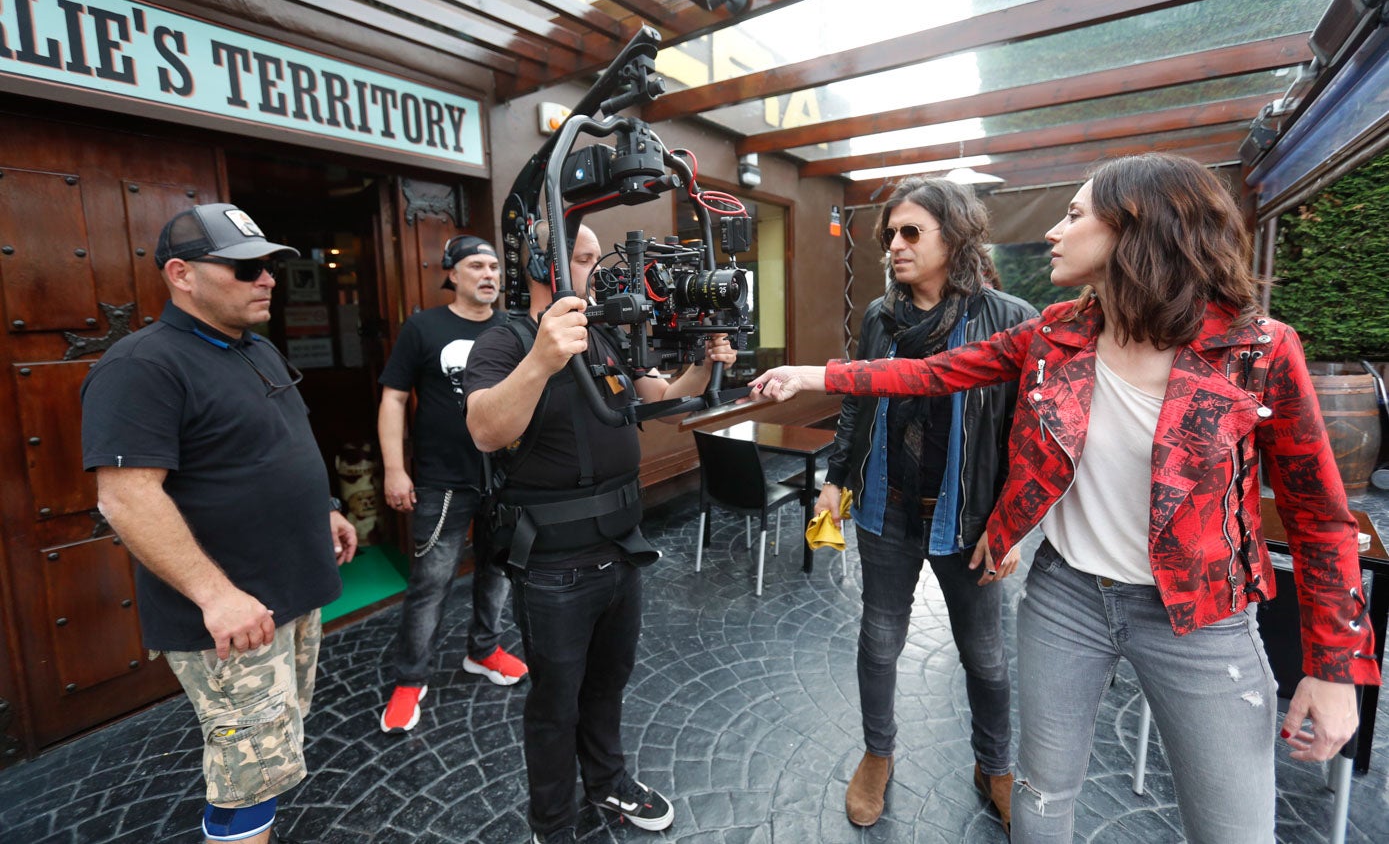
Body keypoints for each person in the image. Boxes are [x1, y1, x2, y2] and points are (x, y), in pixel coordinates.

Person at [748, 153, 1380, 844]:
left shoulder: (1255, 349)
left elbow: (1319, 515)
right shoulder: (1058, 332)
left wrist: (1332, 667)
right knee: (1042, 801)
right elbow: (933, 374)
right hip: (1067, 596)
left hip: (1200, 615)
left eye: (1074, 215)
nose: (1053, 231)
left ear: (1135, 230)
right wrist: (815, 373)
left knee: (1231, 827)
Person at [81, 203, 358, 844]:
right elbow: (126, 500)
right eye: (246, 268)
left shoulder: (254, 347)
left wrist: (325, 508)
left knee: (275, 745)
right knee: (247, 776)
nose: (267, 279)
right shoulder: (140, 366)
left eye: (268, 267)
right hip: (232, 617)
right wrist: (217, 595)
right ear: (181, 274)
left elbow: (273, 442)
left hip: (288, 595)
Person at [463, 223, 735, 844]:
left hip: (621, 549)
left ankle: (608, 780)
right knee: (556, 703)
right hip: (554, 565)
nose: (599, 268)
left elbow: (660, 401)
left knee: (608, 684)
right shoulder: (507, 340)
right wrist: (542, 357)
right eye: (584, 257)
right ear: (542, 261)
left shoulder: (606, 336)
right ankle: (552, 824)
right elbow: (484, 429)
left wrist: (701, 364)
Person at [820, 177, 1036, 831]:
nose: (894, 244)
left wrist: (1012, 523)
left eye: (911, 232)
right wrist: (836, 477)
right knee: (878, 643)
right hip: (885, 506)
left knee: (986, 658)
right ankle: (877, 757)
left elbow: (1027, 433)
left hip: (969, 517)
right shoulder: (880, 319)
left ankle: (993, 765)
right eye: (889, 233)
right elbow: (858, 398)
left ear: (955, 237)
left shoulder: (1009, 318)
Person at [377, 234, 527, 734]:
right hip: (442, 478)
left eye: (495, 267)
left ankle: (484, 650)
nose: (489, 275)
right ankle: (409, 678)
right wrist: (396, 469)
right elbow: (394, 399)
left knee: (496, 572)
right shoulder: (424, 327)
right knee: (431, 583)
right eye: (477, 266)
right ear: (453, 274)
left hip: (503, 476)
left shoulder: (512, 327)